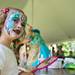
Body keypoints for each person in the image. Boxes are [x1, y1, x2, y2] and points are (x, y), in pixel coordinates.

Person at [0, 8, 33, 75]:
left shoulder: (7, 49)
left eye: (23, 24)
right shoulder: (1, 50)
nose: (20, 26)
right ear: (2, 24)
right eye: (15, 20)